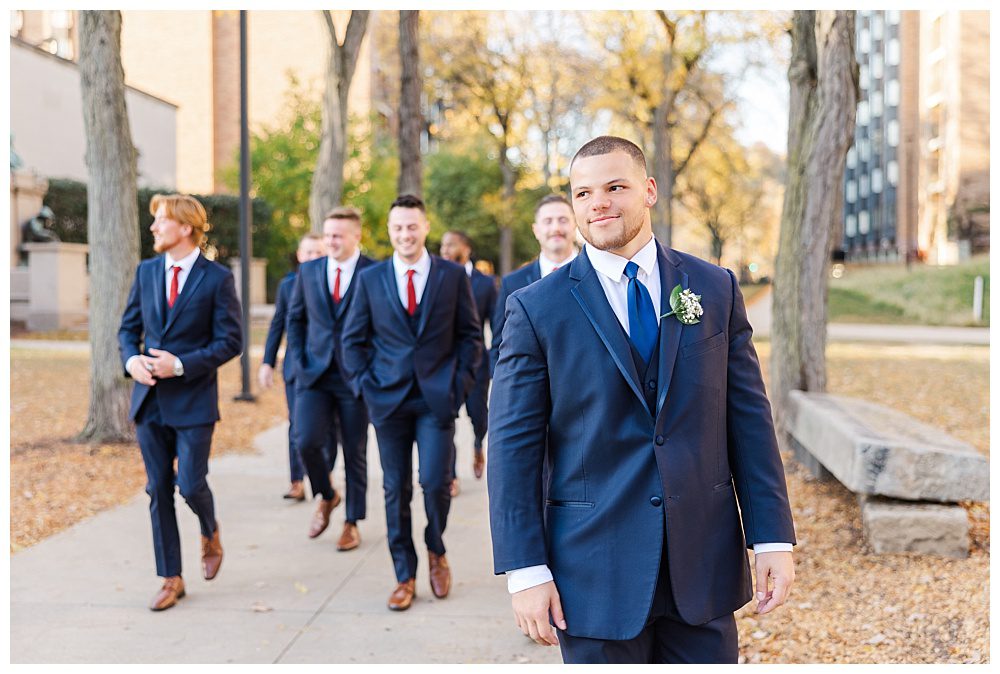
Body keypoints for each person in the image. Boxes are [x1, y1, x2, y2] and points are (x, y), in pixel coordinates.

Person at [487, 136, 796, 663]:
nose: (598, 203)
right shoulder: (536, 309)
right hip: (592, 572)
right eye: (583, 194)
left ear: (649, 191)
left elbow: (747, 420)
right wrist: (525, 570)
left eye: (614, 187)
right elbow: (512, 449)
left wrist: (771, 538)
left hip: (701, 563)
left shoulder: (713, 287)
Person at [342, 194, 483, 611]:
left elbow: (470, 337)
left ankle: (436, 548)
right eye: (397, 228)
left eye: (412, 226)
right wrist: (365, 387)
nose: (405, 234)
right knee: (394, 488)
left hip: (437, 400)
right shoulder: (370, 279)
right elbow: (352, 340)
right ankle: (404, 574)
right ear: (389, 232)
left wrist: (458, 385)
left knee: (436, 483)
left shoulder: (452, 276)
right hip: (387, 401)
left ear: (425, 228)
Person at [118, 193, 243, 611]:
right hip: (149, 402)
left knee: (189, 484)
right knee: (158, 490)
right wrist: (132, 360)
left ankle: (210, 529)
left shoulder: (217, 279)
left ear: (186, 228)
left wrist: (182, 365)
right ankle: (171, 577)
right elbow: (127, 329)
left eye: (161, 221)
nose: (153, 228)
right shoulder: (147, 271)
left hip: (193, 400)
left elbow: (231, 341)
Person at [286, 207, 374, 551]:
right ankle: (326, 493)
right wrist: (300, 359)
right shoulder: (308, 272)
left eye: (338, 235)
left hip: (355, 377)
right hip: (314, 374)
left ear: (356, 236)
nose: (331, 241)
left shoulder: (373, 271)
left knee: (355, 450)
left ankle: (352, 522)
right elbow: (296, 319)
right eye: (327, 235)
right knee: (305, 440)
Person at [258, 233, 336, 501]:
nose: (313, 257)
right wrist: (267, 362)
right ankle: (296, 480)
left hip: (328, 368)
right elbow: (278, 323)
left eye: (318, 252)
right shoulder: (288, 285)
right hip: (296, 366)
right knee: (297, 425)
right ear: (299, 256)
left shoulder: (332, 282)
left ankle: (325, 476)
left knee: (329, 429)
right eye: (308, 252)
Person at [489, 194, 578, 376]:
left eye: (563, 220)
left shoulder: (597, 274)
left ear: (575, 225)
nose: (556, 228)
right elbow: (499, 346)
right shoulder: (512, 283)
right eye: (548, 221)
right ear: (536, 230)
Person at [439, 230, 497, 495]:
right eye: (442, 245)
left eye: (451, 244)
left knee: (478, 415)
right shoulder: (438, 277)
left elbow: (496, 326)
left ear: (466, 247)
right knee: (445, 419)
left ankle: (477, 446)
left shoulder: (485, 284)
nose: (445, 250)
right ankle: (449, 474)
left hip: (475, 364)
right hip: (443, 366)